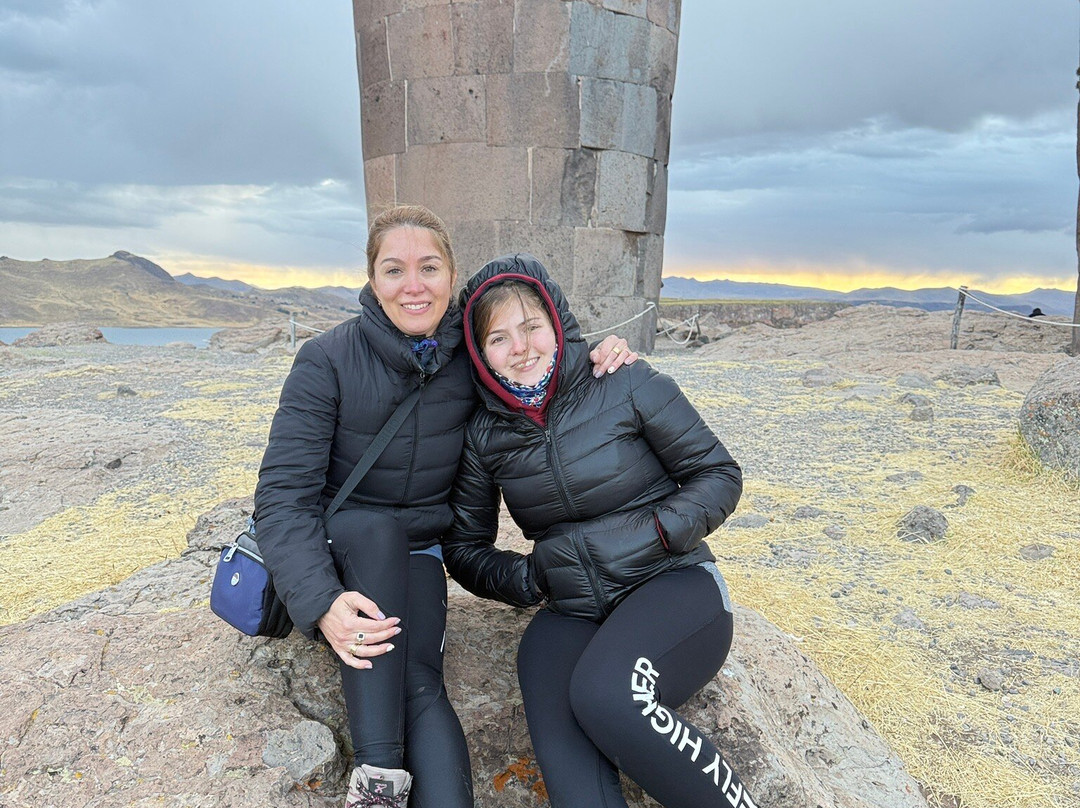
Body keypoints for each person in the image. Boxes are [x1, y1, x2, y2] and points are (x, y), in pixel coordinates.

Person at [253, 207, 636, 808]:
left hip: (419, 553)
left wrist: (599, 359)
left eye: (429, 268)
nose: (414, 286)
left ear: (452, 275)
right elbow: (282, 497)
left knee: (422, 685)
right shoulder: (327, 359)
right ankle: (378, 781)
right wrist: (322, 602)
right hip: (339, 547)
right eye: (394, 270)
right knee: (376, 532)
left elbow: (540, 369)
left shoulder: (473, 357)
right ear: (372, 279)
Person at [444, 254, 755, 808]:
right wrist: (531, 578)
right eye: (498, 337)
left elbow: (718, 474)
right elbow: (465, 548)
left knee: (607, 695)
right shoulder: (484, 435)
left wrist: (657, 534)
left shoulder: (623, 379)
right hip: (572, 607)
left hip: (674, 582)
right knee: (550, 692)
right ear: (480, 352)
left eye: (532, 327)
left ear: (557, 324)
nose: (521, 348)